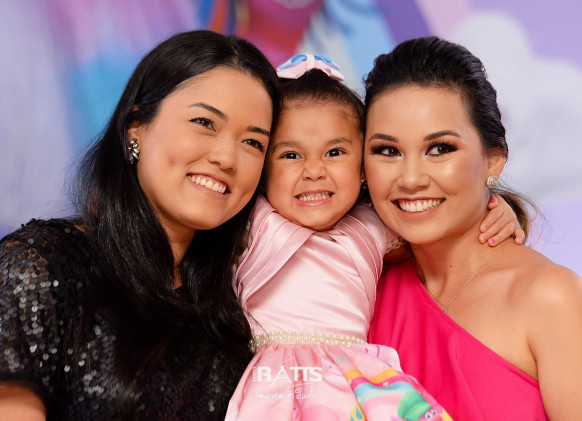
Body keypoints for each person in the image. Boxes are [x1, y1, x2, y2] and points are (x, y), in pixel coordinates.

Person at [0, 30, 281, 420]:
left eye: (253, 143)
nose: (227, 157)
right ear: (136, 127)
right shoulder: (43, 267)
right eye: (204, 122)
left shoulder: (235, 316)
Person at [225, 54, 521, 421]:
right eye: (290, 155)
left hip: (356, 382)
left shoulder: (372, 227)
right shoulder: (252, 222)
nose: (314, 171)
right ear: (263, 169)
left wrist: (495, 206)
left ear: (363, 168)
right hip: (274, 386)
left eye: (335, 152)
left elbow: (442, 221)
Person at [365, 36, 582, 420]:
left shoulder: (549, 297)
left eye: (440, 149)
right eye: (388, 151)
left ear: (493, 160)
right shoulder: (358, 289)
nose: (411, 179)